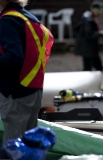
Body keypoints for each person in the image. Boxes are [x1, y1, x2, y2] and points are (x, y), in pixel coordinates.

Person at [0, 0, 54, 143]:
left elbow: (14, 57)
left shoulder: (7, 20)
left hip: (15, 92)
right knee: (29, 147)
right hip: (34, 89)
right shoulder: (30, 18)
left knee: (13, 148)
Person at [74, 1, 103, 72]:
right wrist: (102, 33)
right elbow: (89, 34)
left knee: (99, 68)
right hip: (88, 49)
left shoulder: (90, 17)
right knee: (88, 69)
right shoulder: (88, 19)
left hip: (92, 49)